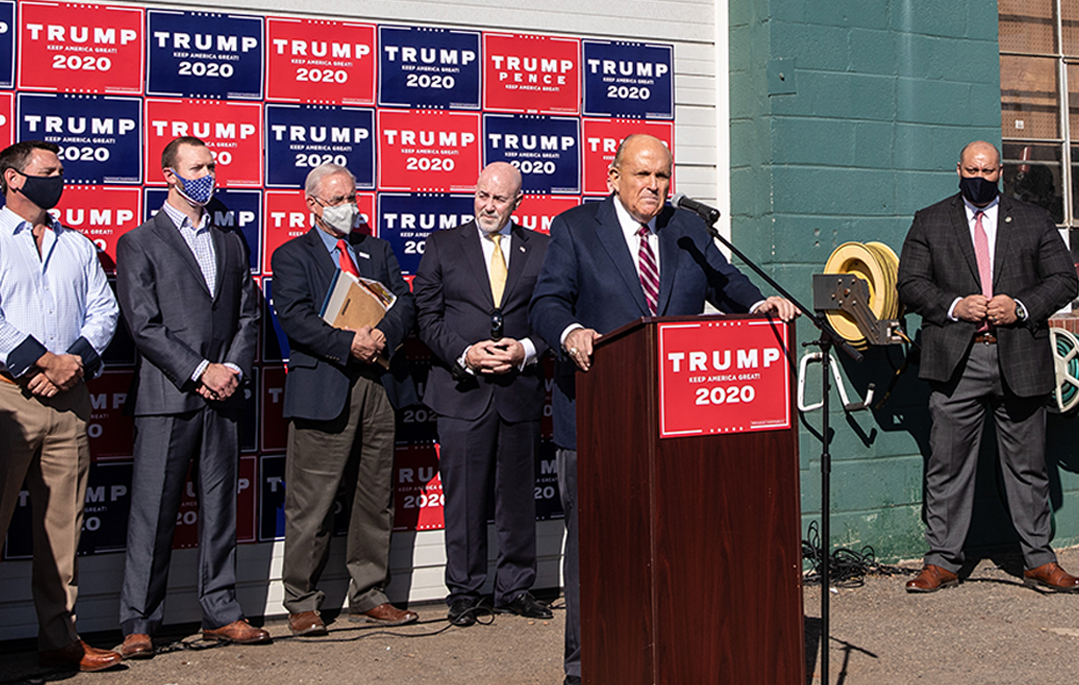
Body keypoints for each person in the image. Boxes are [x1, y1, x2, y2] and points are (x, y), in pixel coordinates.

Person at [529, 134, 797, 685]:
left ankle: (674, 656)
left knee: (677, 548)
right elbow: (547, 302)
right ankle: (587, 669)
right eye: (642, 175)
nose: (654, 187)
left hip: (679, 427)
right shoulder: (576, 228)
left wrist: (758, 304)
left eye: (662, 177)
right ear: (613, 176)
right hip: (599, 422)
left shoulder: (687, 229)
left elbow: (726, 283)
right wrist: (572, 331)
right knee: (597, 554)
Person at [896, 140, 1079, 594]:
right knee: (948, 464)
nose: (979, 179)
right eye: (972, 170)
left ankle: (1038, 559)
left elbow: (1064, 281)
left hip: (1018, 354)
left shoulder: (1034, 220)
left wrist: (1019, 307)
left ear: (1002, 174)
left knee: (1028, 465)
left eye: (989, 172)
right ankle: (941, 561)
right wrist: (955, 305)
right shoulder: (930, 220)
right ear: (958, 169)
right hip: (956, 359)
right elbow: (910, 283)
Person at [116, 136, 266, 657]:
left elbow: (248, 315)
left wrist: (230, 370)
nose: (209, 173)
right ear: (169, 175)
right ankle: (139, 622)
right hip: (167, 397)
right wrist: (200, 369)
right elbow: (144, 325)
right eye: (197, 166)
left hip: (223, 398)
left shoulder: (229, 242)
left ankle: (220, 611)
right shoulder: (140, 241)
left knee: (221, 508)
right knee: (152, 512)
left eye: (212, 164)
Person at [270, 163, 419, 637]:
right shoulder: (292, 255)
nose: (349, 207)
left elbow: (404, 304)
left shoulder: (377, 250)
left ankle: (371, 594)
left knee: (374, 498)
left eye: (352, 197)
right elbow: (294, 317)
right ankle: (301, 601)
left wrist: (380, 336)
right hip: (324, 386)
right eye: (337, 200)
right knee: (312, 503)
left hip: (378, 384)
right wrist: (346, 342)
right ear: (313, 204)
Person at [413, 162, 553, 627]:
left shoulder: (544, 249)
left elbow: (556, 314)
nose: (488, 205)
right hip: (462, 391)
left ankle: (515, 587)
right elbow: (426, 316)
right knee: (465, 499)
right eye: (481, 195)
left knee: (517, 500)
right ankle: (466, 591)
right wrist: (466, 354)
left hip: (519, 392)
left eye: (498, 198)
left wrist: (526, 350)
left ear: (518, 201)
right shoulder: (442, 245)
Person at [0, 141, 122, 672]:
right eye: (48, 172)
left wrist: (71, 363)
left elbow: (103, 309)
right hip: (8, 396)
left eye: (61, 171)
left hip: (70, 400)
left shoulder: (75, 243)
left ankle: (59, 640)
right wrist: (36, 363)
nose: (59, 179)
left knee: (62, 531)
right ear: (13, 179)